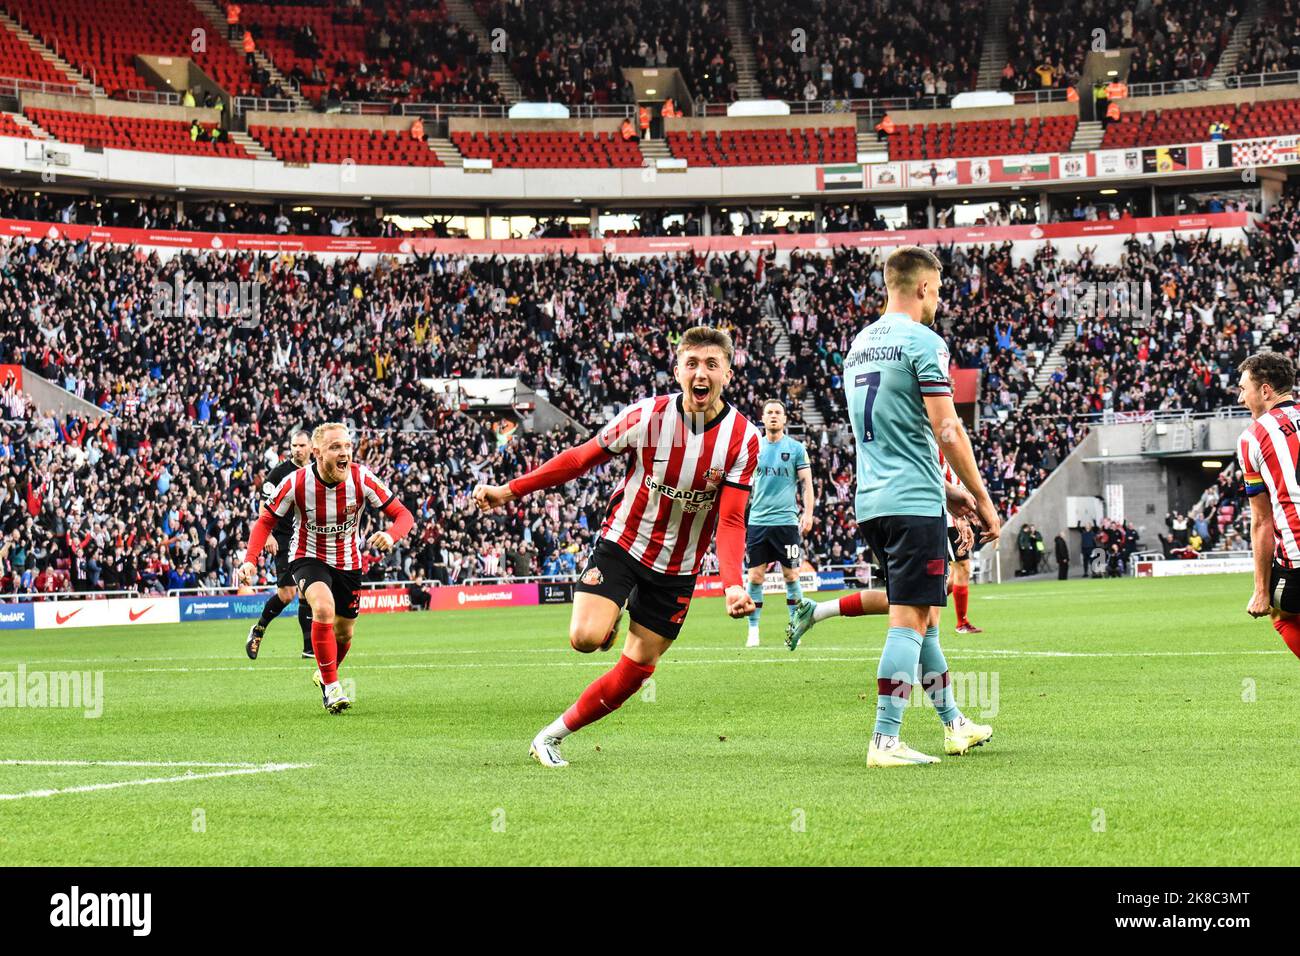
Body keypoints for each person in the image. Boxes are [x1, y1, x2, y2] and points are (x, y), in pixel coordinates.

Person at [472, 326, 762, 768]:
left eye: (711, 364)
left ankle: (551, 736)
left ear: (728, 372)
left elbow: (731, 518)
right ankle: (610, 615)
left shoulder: (743, 438)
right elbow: (578, 459)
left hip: (678, 567)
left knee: (637, 671)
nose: (700, 373)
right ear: (677, 369)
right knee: (585, 639)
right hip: (624, 543)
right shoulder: (646, 416)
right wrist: (509, 490)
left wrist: (732, 585)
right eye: (691, 364)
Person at [840, 245, 1000, 767]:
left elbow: (892, 432)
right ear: (924, 288)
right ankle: (885, 739)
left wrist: (945, 491)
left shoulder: (859, 345)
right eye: (938, 290)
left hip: (875, 501)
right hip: (911, 503)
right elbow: (946, 427)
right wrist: (978, 495)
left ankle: (954, 724)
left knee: (927, 617)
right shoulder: (923, 340)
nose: (939, 300)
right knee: (909, 619)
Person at [239, 422, 414, 713]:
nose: (344, 452)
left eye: (347, 446)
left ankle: (324, 673)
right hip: (308, 556)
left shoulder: (362, 478)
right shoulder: (295, 482)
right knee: (322, 608)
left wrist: (391, 534)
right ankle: (332, 688)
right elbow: (265, 521)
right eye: (335, 447)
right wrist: (250, 559)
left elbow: (403, 514)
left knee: (344, 634)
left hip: (348, 561)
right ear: (317, 454)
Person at [1235, 352, 1300, 660]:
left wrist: (1260, 590)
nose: (1240, 398)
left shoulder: (1253, 437)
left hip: (1296, 557)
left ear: (1265, 391)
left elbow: (1262, 521)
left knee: (1279, 613)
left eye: (1243, 388)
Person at [742, 398, 814, 647]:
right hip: (758, 522)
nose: (773, 416)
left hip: (786, 523)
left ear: (784, 419)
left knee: (792, 576)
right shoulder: (754, 449)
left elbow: (807, 482)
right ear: (762, 418)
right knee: (755, 578)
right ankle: (753, 630)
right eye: (769, 412)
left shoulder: (796, 449)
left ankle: (795, 626)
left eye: (778, 412)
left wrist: (808, 512)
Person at [245, 430, 314, 660]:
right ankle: (258, 630)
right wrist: (268, 536)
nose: (298, 449)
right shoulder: (279, 473)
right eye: (294, 445)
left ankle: (309, 648)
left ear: (311, 446)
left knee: (307, 591)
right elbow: (264, 507)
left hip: (308, 537)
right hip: (283, 538)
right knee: (286, 595)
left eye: (302, 445)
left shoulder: (316, 471)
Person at [940, 449, 981, 633]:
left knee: (960, 570)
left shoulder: (956, 454)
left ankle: (960, 620)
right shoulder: (937, 450)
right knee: (961, 568)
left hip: (955, 519)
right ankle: (961, 622)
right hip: (945, 519)